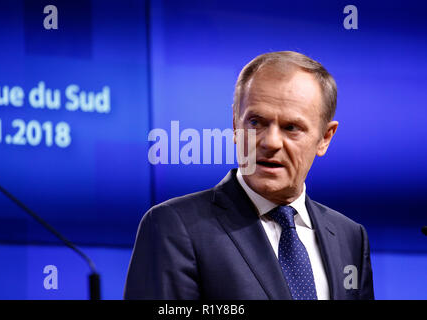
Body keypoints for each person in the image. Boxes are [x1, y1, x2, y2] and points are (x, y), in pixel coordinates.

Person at [124, 51, 374, 300]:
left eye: (291, 127)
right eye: (256, 122)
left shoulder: (350, 237)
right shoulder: (174, 227)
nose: (271, 142)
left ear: (325, 138)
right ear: (235, 124)